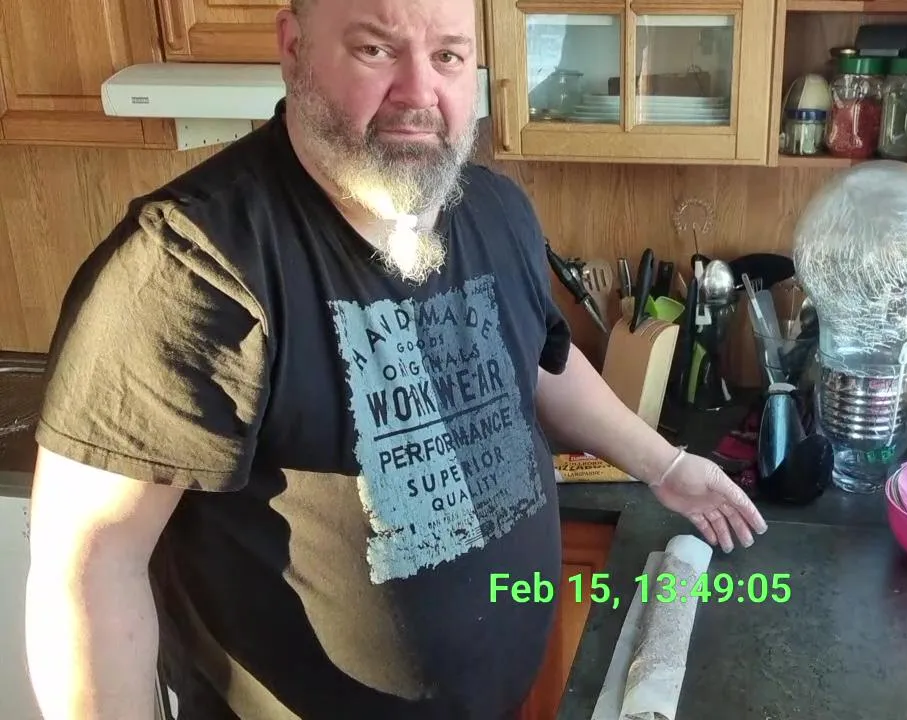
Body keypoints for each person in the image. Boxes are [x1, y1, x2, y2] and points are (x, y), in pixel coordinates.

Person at [22, 0, 767, 717]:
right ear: (294, 48)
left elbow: (543, 364)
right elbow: (91, 567)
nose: (418, 92)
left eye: (447, 56)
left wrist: (666, 465)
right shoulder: (193, 266)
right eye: (375, 48)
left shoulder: (497, 210)